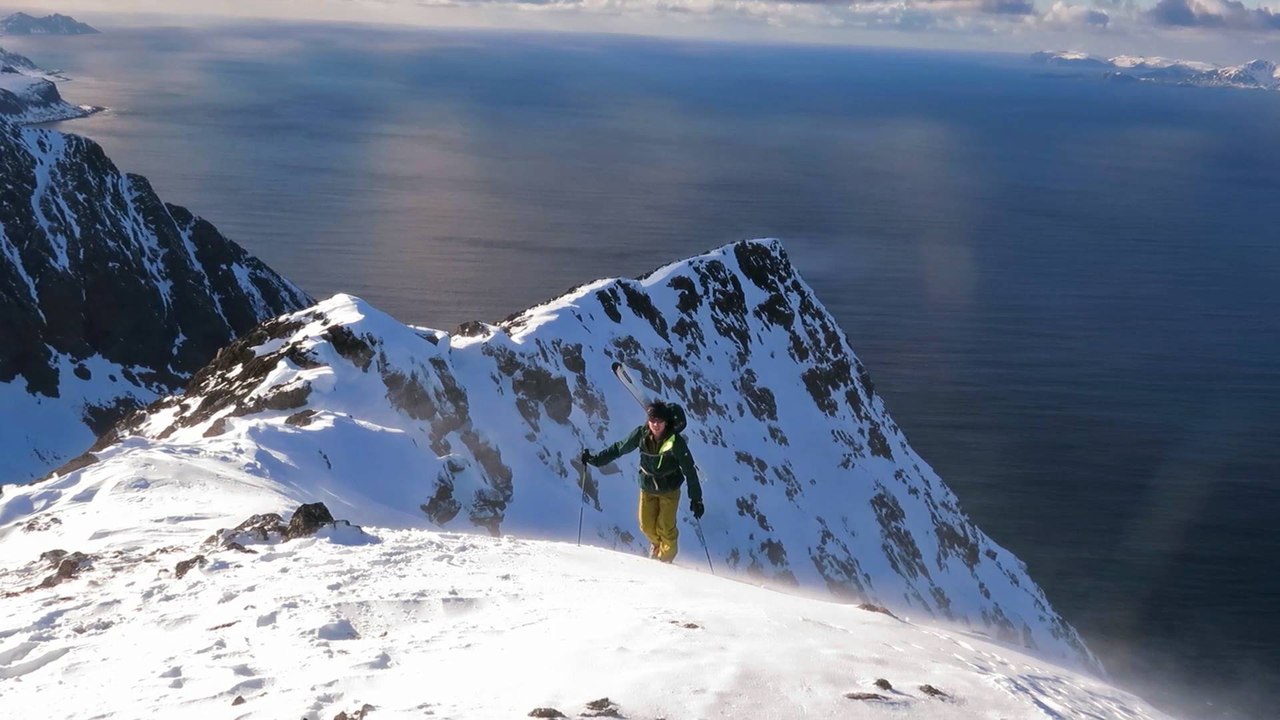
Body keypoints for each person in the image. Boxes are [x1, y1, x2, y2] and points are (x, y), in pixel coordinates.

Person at [581, 400, 704, 563]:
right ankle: (656, 545)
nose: (655, 424)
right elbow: (619, 448)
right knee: (646, 526)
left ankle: (665, 561)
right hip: (647, 487)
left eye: (659, 421)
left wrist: (696, 499)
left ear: (666, 422)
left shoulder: (676, 442)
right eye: (652, 420)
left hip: (669, 490)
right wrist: (596, 460)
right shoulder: (641, 434)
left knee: (666, 528)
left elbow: (689, 470)